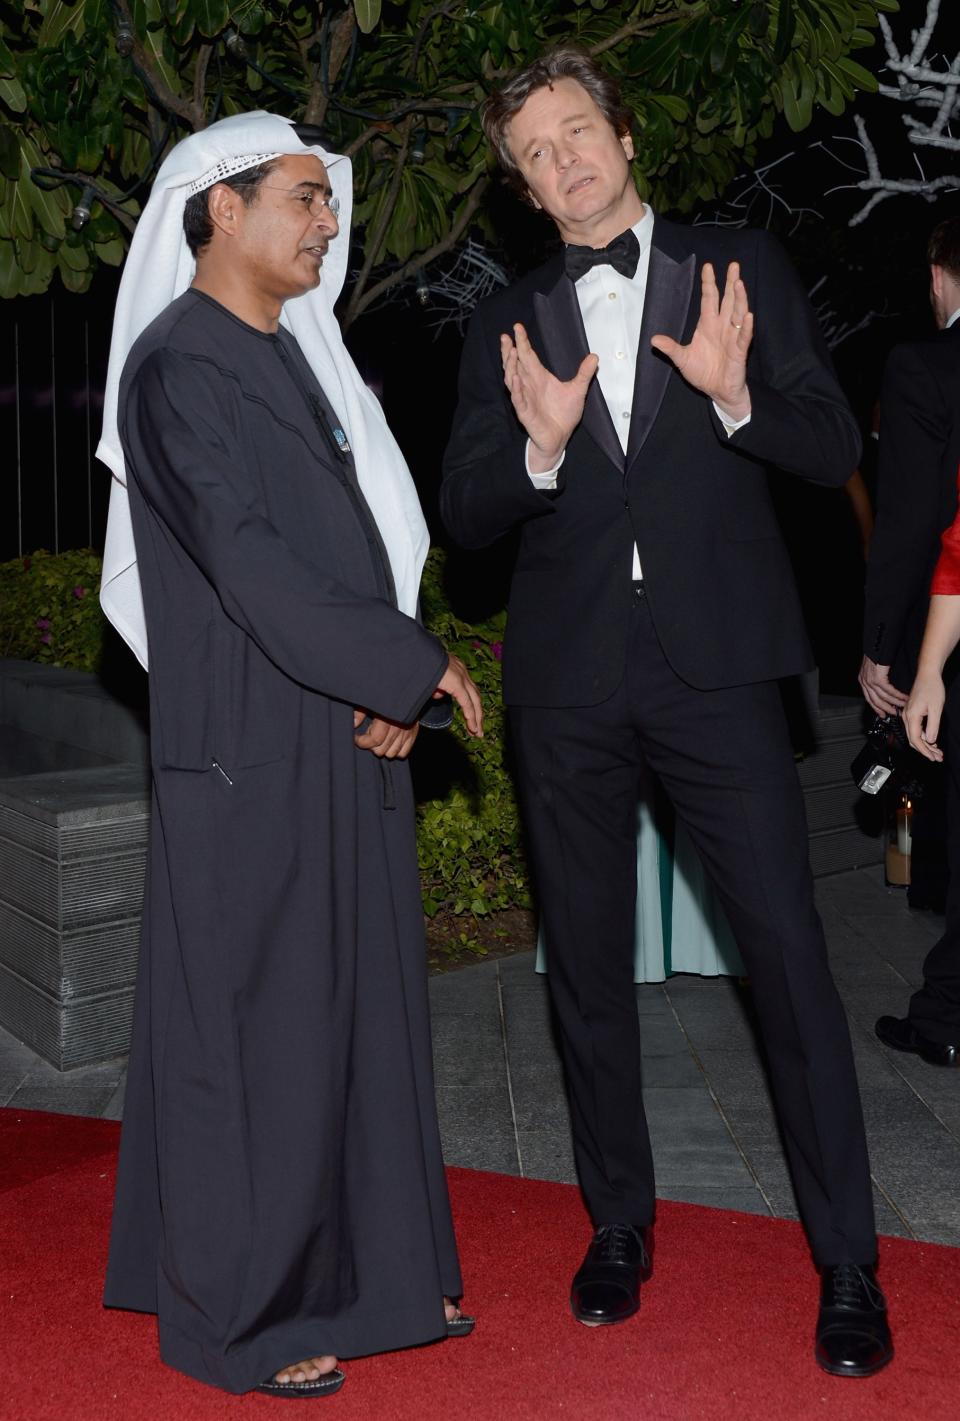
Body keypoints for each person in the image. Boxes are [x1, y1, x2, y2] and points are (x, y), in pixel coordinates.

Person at [440, 47, 891, 1378]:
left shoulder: (734, 266)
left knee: (790, 965)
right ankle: (619, 1225)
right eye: (534, 150)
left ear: (625, 136)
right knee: (583, 969)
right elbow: (467, 513)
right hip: (570, 683)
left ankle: (851, 1260)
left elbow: (828, 445)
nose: (564, 159)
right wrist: (533, 446)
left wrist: (734, 394)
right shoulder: (507, 321)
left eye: (578, 131)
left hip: (718, 673)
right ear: (522, 186)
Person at [96, 112, 483, 1398]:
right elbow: (252, 566)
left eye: (330, 202)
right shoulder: (175, 369)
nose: (331, 222)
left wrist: (389, 679)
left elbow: (354, 544)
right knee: (252, 1042)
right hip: (245, 755)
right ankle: (243, 1321)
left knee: (359, 1017)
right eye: (308, 199)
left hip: (332, 731)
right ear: (219, 208)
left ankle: (377, 1277)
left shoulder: (292, 357)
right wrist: (407, 667)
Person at [874, 222, 960, 1068]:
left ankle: (944, 1015)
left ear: (939, 275)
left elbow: (912, 527)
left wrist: (889, 654)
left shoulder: (923, 366)